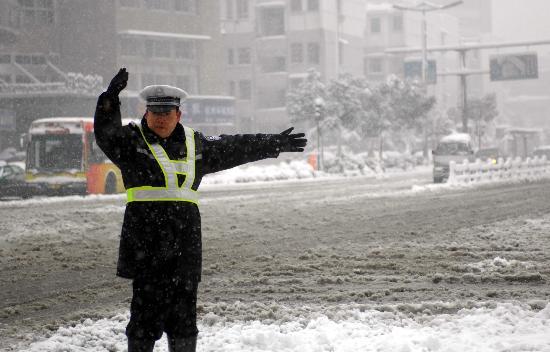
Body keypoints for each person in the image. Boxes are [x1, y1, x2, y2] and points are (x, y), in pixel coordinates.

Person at [94, 68, 307, 352]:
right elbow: (105, 134)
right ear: (146, 114)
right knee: (144, 319)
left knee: (184, 320)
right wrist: (110, 100)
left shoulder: (195, 144)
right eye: (155, 113)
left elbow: (234, 146)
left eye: (166, 113)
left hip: (184, 249)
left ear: (178, 115)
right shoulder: (131, 142)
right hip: (147, 247)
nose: (160, 119)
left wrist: (272, 143)